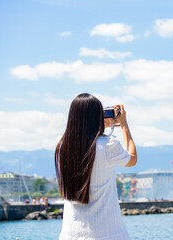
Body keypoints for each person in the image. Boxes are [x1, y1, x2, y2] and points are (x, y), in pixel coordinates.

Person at [55, 93, 137, 240]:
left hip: (70, 234)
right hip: (107, 233)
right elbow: (132, 159)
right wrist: (124, 125)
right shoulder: (108, 146)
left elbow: (81, 137)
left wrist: (96, 125)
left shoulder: (61, 147)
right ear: (98, 117)